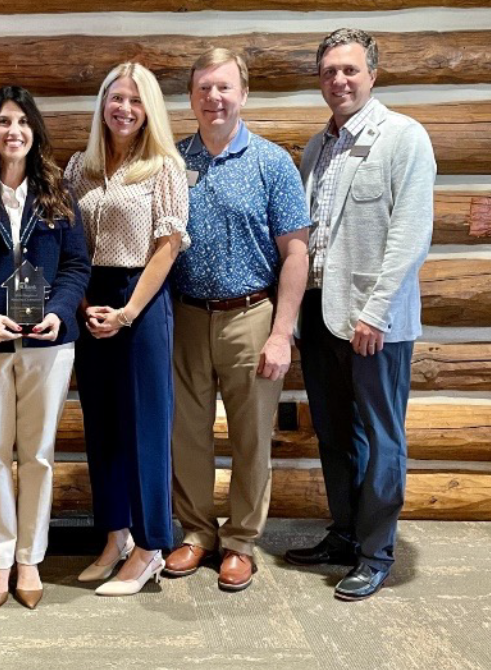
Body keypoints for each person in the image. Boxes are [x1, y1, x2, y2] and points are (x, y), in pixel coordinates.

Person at [283, 28, 435, 601]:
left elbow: (410, 235)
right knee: (334, 434)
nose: (338, 81)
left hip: (377, 320)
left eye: (349, 70)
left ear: (372, 74)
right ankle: (344, 533)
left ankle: (376, 553)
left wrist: (376, 312)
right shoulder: (315, 149)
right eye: (328, 72)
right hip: (322, 314)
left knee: (381, 437)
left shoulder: (403, 138)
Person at [165, 49, 310, 592]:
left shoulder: (272, 163)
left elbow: (296, 254)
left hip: (251, 317)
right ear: (192, 98)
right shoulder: (173, 161)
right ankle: (197, 533)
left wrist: (281, 333)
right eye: (204, 88)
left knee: (251, 438)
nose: (214, 98)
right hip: (184, 316)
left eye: (223, 88)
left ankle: (242, 541)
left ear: (243, 94)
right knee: (188, 435)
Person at [0, 86, 91, 612]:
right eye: (5, 122)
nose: (15, 132)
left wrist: (60, 310)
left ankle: (29, 557)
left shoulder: (59, 194)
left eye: (24, 122)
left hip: (48, 345)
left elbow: (76, 267)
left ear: (35, 131)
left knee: (38, 456)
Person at [65, 62, 189, 597]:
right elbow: (69, 244)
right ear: (103, 104)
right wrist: (89, 305)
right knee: (104, 429)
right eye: (116, 98)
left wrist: (127, 312)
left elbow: (168, 246)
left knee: (145, 429)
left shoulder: (164, 166)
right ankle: (115, 537)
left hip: (142, 304)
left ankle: (149, 547)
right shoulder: (79, 167)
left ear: (150, 110)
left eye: (136, 101)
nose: (124, 109)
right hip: (91, 303)